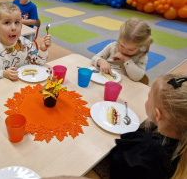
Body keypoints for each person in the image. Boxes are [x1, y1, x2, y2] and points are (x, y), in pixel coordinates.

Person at [43, 74, 187, 179]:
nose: (147, 99)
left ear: (157, 115)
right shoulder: (180, 140)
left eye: (149, 97)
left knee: (76, 153)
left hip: (114, 172)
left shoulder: (144, 148)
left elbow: (115, 157)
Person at [0, 1, 51, 84]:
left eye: (17, 22)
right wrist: (3, 74)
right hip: (4, 88)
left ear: (21, 26)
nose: (14, 28)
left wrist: (42, 50)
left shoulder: (26, 44)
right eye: (7, 22)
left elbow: (38, 64)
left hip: (25, 85)